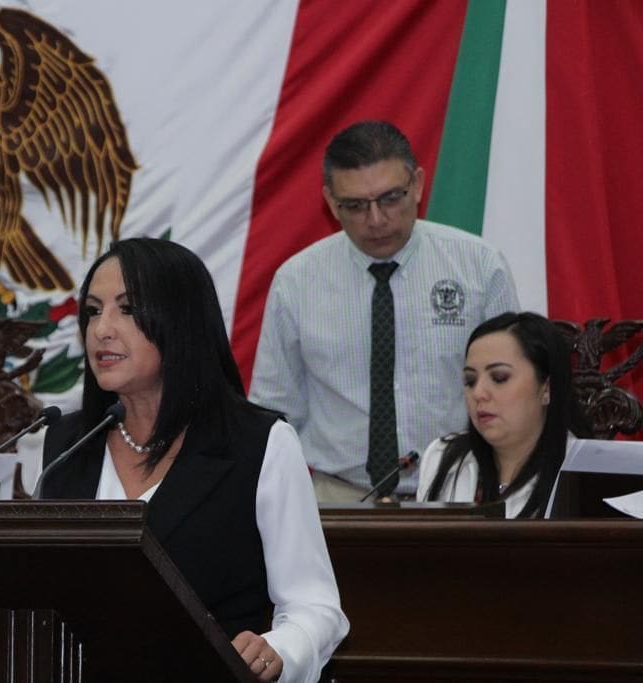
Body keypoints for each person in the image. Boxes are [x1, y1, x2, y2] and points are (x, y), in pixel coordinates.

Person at [40, 238, 348, 683]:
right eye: (92, 310)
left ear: (182, 320)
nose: (101, 329)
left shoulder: (258, 443)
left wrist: (278, 649)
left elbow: (314, 607)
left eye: (127, 309)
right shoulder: (66, 444)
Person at [249, 120, 519, 501]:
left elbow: (515, 393)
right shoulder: (296, 282)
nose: (376, 220)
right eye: (355, 206)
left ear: (418, 185)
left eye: (391, 198)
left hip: (459, 490)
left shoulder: (479, 267)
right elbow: (273, 413)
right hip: (336, 496)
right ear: (331, 202)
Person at [417, 312, 583, 518]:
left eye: (499, 377)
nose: (478, 393)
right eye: (470, 381)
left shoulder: (583, 471)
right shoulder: (442, 457)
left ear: (546, 388)